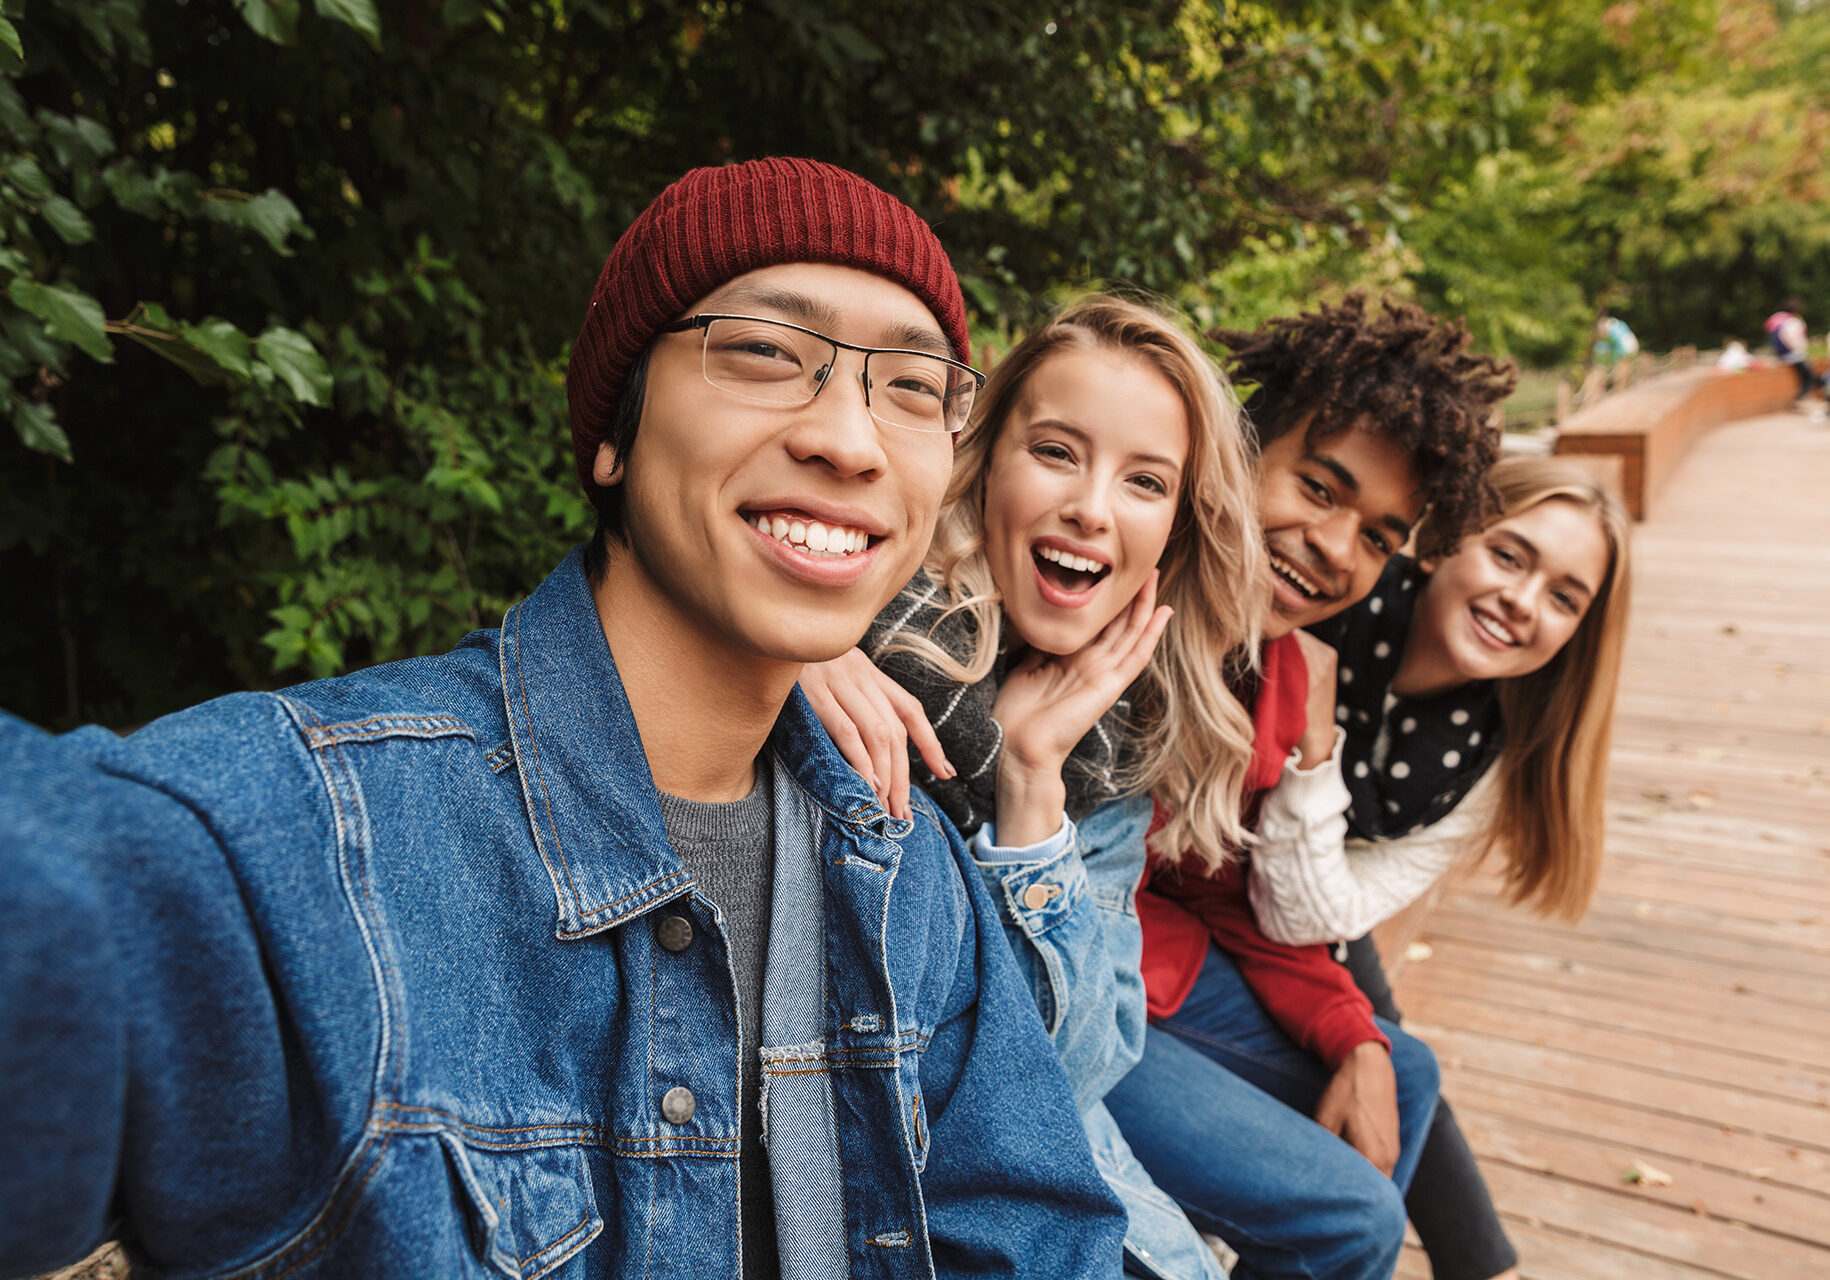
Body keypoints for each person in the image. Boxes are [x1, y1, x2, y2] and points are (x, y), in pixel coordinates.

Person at [0, 158, 1128, 1280]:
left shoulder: (907, 868)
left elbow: (1042, 1240)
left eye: (914, 388)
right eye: (765, 352)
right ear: (613, 434)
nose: (851, 438)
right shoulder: (325, 830)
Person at [802, 294, 1264, 1280]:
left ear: (1174, 531)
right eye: (1056, 452)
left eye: (1145, 480)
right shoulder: (841, 633)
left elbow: (1076, 1070)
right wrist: (799, 647)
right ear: (984, 460)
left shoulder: (1113, 748)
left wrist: (1031, 788)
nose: (1092, 507)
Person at [1104, 293, 1513, 1280]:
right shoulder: (1106, 577)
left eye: (1378, 535)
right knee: (1352, 1217)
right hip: (1072, 995)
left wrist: (1353, 1036)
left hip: (1166, 963)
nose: (1336, 546)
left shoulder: (1281, 673)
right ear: (1238, 450)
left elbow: (1224, 890)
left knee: (1397, 1064)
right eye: (1319, 488)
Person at [1245, 454, 1632, 1280]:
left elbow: (1328, 915)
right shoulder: (1318, 603)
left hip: (1296, 912)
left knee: (1390, 1056)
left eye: (1564, 597)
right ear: (1447, 537)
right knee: (1391, 1053)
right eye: (1509, 556)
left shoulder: (1488, 758)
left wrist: (1314, 754)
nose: (1521, 602)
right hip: (1199, 887)